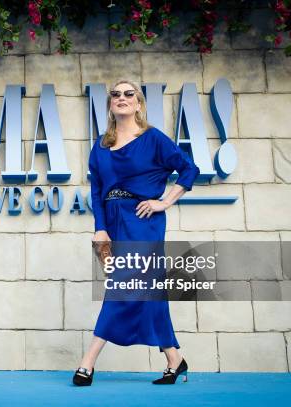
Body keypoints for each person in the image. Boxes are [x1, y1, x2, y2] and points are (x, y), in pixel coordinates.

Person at [72, 79, 200, 386]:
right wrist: (100, 229)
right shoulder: (101, 146)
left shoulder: (153, 138)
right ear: (110, 105)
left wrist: (165, 202)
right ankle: (174, 359)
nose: (122, 97)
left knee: (123, 284)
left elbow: (189, 168)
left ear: (139, 104)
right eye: (115, 94)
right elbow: (98, 189)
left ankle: (88, 361)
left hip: (143, 221)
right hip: (113, 222)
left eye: (129, 94)